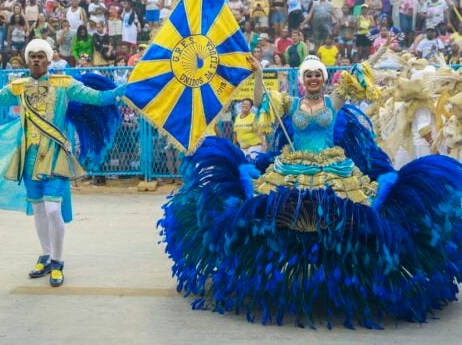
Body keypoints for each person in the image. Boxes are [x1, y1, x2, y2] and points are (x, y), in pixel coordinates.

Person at [159, 39, 462, 327]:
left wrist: (381, 51)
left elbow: (359, 71)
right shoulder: (290, 104)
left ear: (324, 78)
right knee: (274, 212)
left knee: (351, 217)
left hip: (334, 169)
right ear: (302, 79)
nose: (314, 79)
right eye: (309, 75)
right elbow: (262, 98)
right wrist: (260, 73)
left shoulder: (334, 100)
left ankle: (349, 274)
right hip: (294, 165)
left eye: (318, 74)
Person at [0, 39, 126, 287]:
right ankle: (45, 254)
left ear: (50, 59)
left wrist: (129, 88)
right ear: (27, 59)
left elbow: (100, 98)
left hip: (54, 156)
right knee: (39, 210)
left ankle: (58, 260)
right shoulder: (18, 88)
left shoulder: (64, 85)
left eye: (41, 56)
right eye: (33, 56)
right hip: (29, 157)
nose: (37, 60)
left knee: (53, 210)